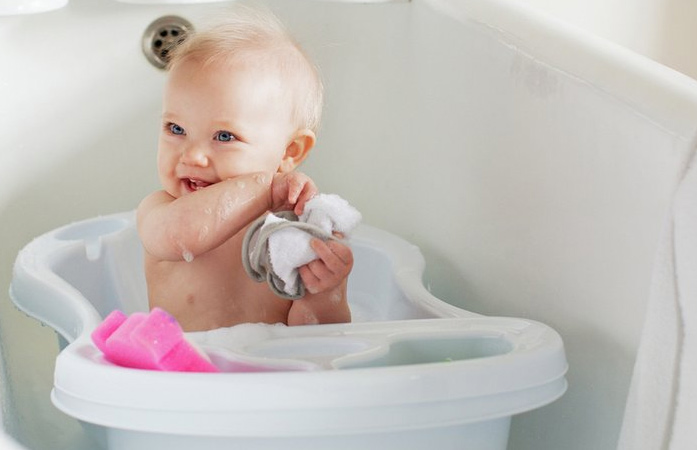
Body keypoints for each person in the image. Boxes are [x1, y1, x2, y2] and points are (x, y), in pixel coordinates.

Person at [137, 8, 353, 332]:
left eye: (224, 136)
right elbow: (183, 236)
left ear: (289, 151)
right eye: (176, 129)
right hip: (182, 377)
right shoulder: (161, 210)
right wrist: (266, 188)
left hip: (266, 378)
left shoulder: (289, 232)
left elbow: (318, 341)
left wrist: (324, 291)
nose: (193, 156)